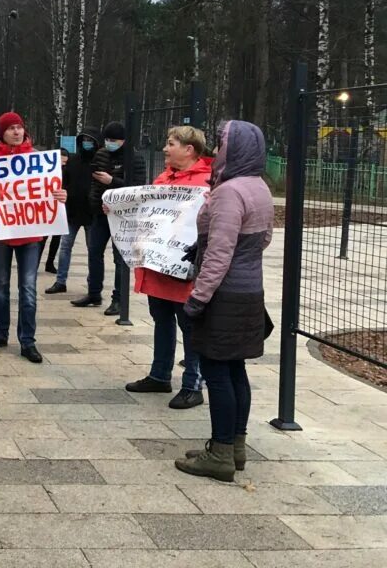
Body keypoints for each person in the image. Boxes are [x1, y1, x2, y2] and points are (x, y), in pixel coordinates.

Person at [175, 120, 274, 482]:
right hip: (250, 291)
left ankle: (218, 454)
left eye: (222, 143)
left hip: (224, 295)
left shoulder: (230, 192)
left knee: (217, 372)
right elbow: (263, 240)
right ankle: (235, 446)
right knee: (236, 370)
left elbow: (219, 252)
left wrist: (198, 299)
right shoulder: (259, 187)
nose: (218, 150)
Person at [124, 126, 212, 410]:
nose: (164, 148)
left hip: (184, 269)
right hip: (159, 266)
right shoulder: (164, 178)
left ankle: (193, 384)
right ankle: (160, 374)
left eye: (170, 143)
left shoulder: (208, 183)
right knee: (162, 319)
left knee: (189, 326)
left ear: (189, 149)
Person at [0, 112, 68, 364]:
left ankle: (28, 341)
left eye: (20, 127)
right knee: (1, 286)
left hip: (30, 234)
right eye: (11, 128)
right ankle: (0, 333)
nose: (17, 132)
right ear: (1, 133)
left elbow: (53, 190)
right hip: (0, 234)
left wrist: (61, 197)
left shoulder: (39, 160)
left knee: (28, 288)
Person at [72, 121, 146, 314]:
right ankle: (94, 292)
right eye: (107, 140)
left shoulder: (135, 158)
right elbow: (95, 182)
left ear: (123, 141)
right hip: (100, 213)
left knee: (119, 258)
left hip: (122, 217)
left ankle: (119, 299)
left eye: (113, 140)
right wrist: (95, 202)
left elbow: (137, 187)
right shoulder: (102, 154)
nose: (109, 143)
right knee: (94, 252)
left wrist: (112, 181)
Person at [45, 130, 100, 295]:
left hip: (92, 213)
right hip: (73, 211)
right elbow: (64, 183)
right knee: (65, 246)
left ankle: (93, 284)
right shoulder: (73, 161)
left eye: (90, 140)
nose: (86, 143)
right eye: (84, 140)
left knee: (93, 250)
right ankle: (60, 281)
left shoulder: (99, 162)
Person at [42, 148, 70, 274]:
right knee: (43, 237)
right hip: (47, 206)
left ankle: (50, 262)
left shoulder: (67, 171)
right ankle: (36, 261)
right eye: (61, 162)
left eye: (65, 163)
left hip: (61, 206)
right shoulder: (48, 171)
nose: (63, 165)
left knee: (56, 238)